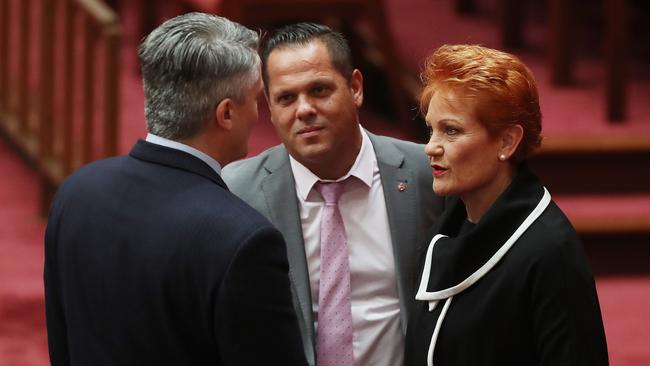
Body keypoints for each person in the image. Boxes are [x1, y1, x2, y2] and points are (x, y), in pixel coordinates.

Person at [44, 12, 307, 366]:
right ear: (226, 114)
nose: (259, 114)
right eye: (257, 99)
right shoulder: (244, 240)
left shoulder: (76, 193)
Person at [221, 22, 445, 366]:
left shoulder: (424, 174)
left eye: (319, 90)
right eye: (286, 98)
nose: (304, 109)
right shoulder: (237, 189)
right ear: (269, 105)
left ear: (355, 88)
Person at [405, 44, 609, 366]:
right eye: (431, 130)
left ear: (507, 142)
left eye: (451, 131)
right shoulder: (444, 232)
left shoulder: (549, 250)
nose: (430, 148)